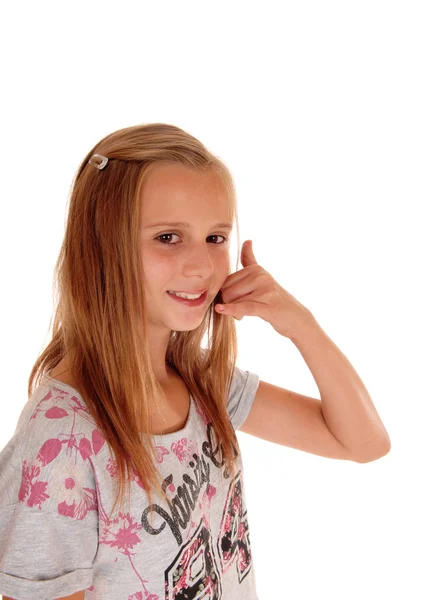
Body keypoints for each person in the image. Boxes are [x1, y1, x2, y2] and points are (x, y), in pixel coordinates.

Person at [0, 122, 391, 600]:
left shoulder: (202, 382)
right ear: (102, 247)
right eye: (167, 237)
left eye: (215, 237)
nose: (202, 266)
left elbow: (364, 442)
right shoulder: (62, 440)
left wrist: (300, 324)